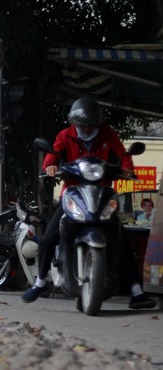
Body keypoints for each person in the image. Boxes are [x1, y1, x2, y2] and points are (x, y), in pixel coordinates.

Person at [22, 96, 155, 309]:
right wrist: (50, 166)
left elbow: (122, 154)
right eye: (81, 125)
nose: (85, 129)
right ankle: (40, 281)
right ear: (74, 123)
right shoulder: (65, 136)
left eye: (89, 125)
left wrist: (128, 168)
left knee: (122, 239)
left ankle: (136, 290)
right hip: (73, 193)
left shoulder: (108, 134)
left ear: (97, 123)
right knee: (48, 238)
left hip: (102, 193)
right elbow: (53, 155)